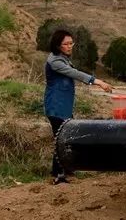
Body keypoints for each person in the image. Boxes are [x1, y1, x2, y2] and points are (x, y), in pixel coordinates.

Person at [44, 29, 113, 184]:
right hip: (56, 106)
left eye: (71, 43)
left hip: (64, 106)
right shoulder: (55, 61)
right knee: (61, 139)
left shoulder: (62, 58)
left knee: (66, 137)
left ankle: (66, 169)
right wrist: (98, 82)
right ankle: (58, 174)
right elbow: (75, 73)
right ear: (57, 45)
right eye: (66, 44)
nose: (70, 46)